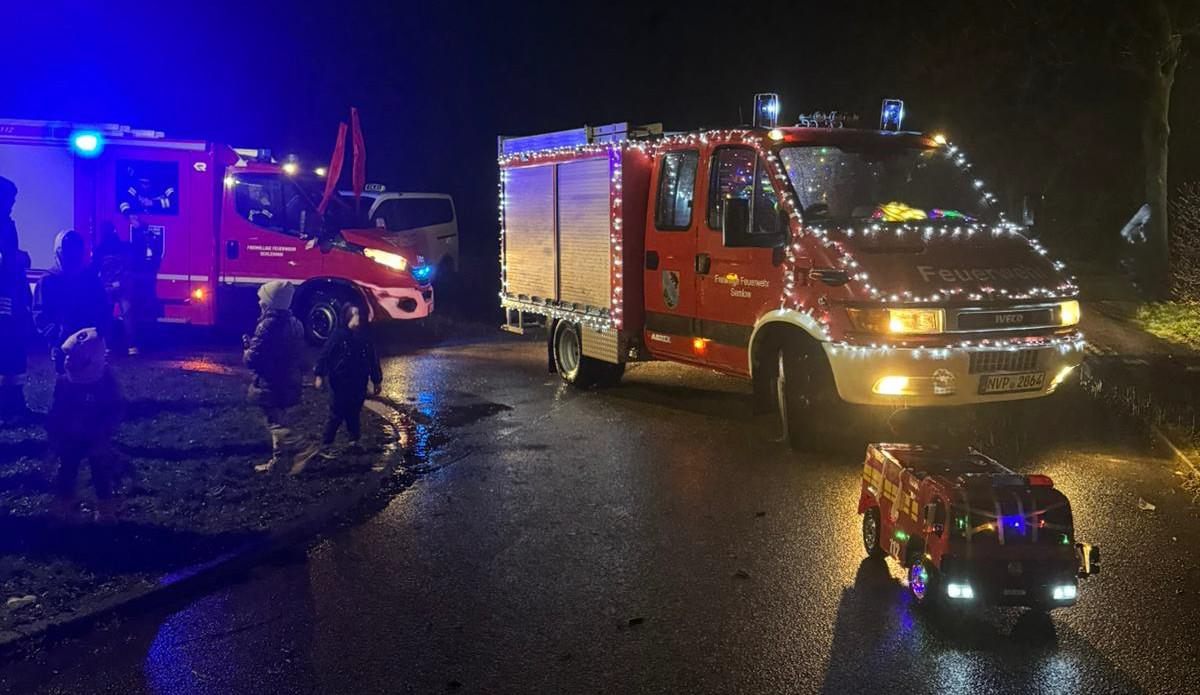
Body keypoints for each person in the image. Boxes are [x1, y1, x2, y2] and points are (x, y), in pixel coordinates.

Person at [47, 327, 124, 523]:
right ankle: (64, 507)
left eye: (74, 358)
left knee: (100, 472)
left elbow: (113, 409)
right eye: (68, 357)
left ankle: (105, 509)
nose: (68, 362)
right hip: (69, 437)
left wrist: (105, 434)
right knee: (67, 471)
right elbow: (56, 411)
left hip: (95, 436)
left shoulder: (104, 383)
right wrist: (55, 434)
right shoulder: (65, 383)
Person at [243, 280, 317, 474]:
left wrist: (247, 350)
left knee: (274, 423)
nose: (259, 303)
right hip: (289, 381)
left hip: (272, 383)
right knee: (280, 420)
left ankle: (304, 447)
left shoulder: (267, 325)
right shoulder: (295, 324)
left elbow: (253, 358)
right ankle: (278, 462)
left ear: (271, 303)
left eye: (262, 300)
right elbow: (299, 355)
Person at [33, 230, 108, 373]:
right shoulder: (49, 280)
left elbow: (103, 307)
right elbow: (40, 315)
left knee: (91, 383)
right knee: (64, 384)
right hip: (63, 345)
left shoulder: (90, 279)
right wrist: (56, 337)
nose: (73, 257)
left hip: (89, 342)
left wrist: (99, 331)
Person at [314, 304, 382, 453]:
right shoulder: (338, 336)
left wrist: (376, 380)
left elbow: (372, 359)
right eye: (354, 314)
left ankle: (354, 441)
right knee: (336, 413)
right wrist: (319, 374)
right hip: (339, 381)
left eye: (359, 314)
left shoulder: (364, 338)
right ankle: (327, 443)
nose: (358, 317)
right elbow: (325, 355)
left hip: (358, 381)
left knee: (354, 411)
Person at [0, 176, 35, 423]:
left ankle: (14, 403)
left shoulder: (7, 224)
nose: (12, 204)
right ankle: (10, 405)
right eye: (9, 199)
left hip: (10, 294)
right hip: (3, 297)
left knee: (14, 349)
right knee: (9, 348)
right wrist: (15, 260)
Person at [92, 221, 137, 353]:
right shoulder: (122, 246)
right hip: (122, 285)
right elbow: (131, 263)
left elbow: (94, 267)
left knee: (106, 315)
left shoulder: (100, 248)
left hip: (107, 287)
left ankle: (107, 345)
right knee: (127, 315)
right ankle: (132, 346)